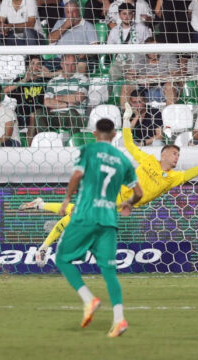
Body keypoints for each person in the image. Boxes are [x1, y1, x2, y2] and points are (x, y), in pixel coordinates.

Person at [20, 103, 198, 266]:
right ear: (163, 154)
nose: (176, 159)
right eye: (173, 154)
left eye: (177, 155)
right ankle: (43, 248)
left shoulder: (174, 178)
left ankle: (40, 205)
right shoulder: (148, 160)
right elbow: (129, 143)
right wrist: (126, 119)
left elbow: (196, 170)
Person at [53, 118, 143, 338]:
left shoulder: (89, 150)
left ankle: (89, 299)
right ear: (114, 135)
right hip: (109, 219)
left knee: (62, 259)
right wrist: (127, 204)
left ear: (95, 134)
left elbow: (77, 175)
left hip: (86, 214)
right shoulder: (123, 160)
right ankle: (119, 319)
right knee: (109, 271)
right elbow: (139, 193)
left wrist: (66, 200)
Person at [121, 37, 181, 106]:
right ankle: (126, 114)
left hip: (162, 88)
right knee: (126, 86)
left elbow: (175, 75)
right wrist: (138, 78)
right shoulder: (140, 57)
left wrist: (153, 79)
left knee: (170, 85)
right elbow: (129, 75)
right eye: (150, 49)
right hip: (144, 89)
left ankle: (169, 114)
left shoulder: (168, 55)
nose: (153, 52)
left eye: (155, 48)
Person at [39, 54, 88, 135]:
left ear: (76, 65)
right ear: (61, 64)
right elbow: (47, 102)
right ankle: (45, 144)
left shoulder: (82, 79)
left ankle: (76, 144)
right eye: (67, 65)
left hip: (75, 115)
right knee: (39, 113)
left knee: (71, 113)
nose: (70, 68)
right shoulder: (53, 81)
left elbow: (79, 97)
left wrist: (57, 98)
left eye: (73, 64)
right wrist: (68, 104)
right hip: (56, 115)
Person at [47, 2, 98, 74]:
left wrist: (85, 54)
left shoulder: (88, 26)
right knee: (40, 66)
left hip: (79, 60)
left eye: (74, 11)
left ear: (79, 11)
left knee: (81, 66)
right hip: (59, 60)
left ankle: (52, 75)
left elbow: (95, 47)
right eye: (68, 12)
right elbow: (50, 40)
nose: (71, 15)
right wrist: (65, 26)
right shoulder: (59, 23)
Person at [106, 3, 152, 83]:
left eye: (129, 13)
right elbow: (108, 49)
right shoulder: (114, 31)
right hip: (120, 61)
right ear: (119, 15)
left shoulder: (141, 28)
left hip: (137, 60)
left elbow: (150, 45)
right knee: (112, 70)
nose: (127, 16)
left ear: (133, 15)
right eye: (124, 14)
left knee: (133, 72)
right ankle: (112, 93)